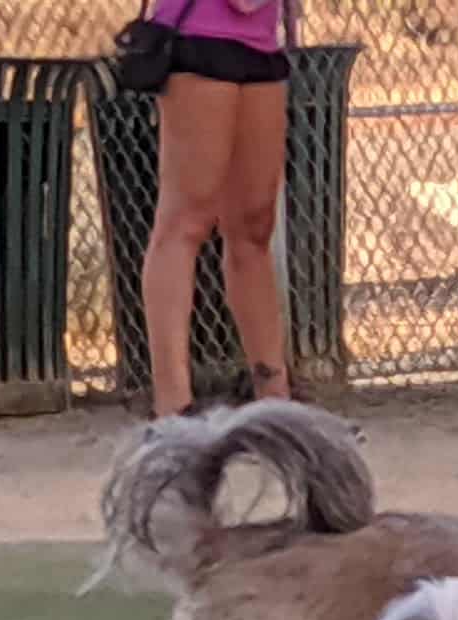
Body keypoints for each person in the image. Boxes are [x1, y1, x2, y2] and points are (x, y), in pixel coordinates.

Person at [139, 0, 293, 419]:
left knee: (254, 224)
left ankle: (275, 398)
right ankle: (173, 406)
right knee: (186, 219)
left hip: (261, 45)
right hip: (198, 36)